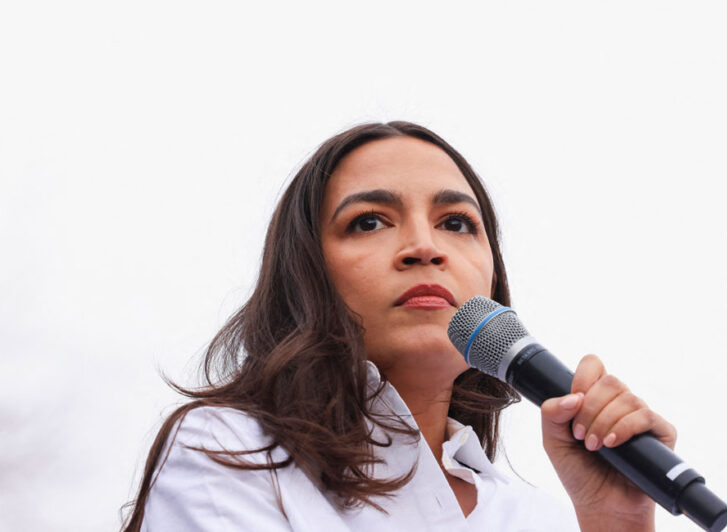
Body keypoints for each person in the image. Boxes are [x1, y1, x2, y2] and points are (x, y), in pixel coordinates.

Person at [121, 121, 677, 531]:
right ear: (307, 273)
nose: (424, 247)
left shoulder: (537, 518)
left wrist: (615, 522)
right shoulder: (231, 451)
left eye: (456, 222)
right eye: (369, 222)